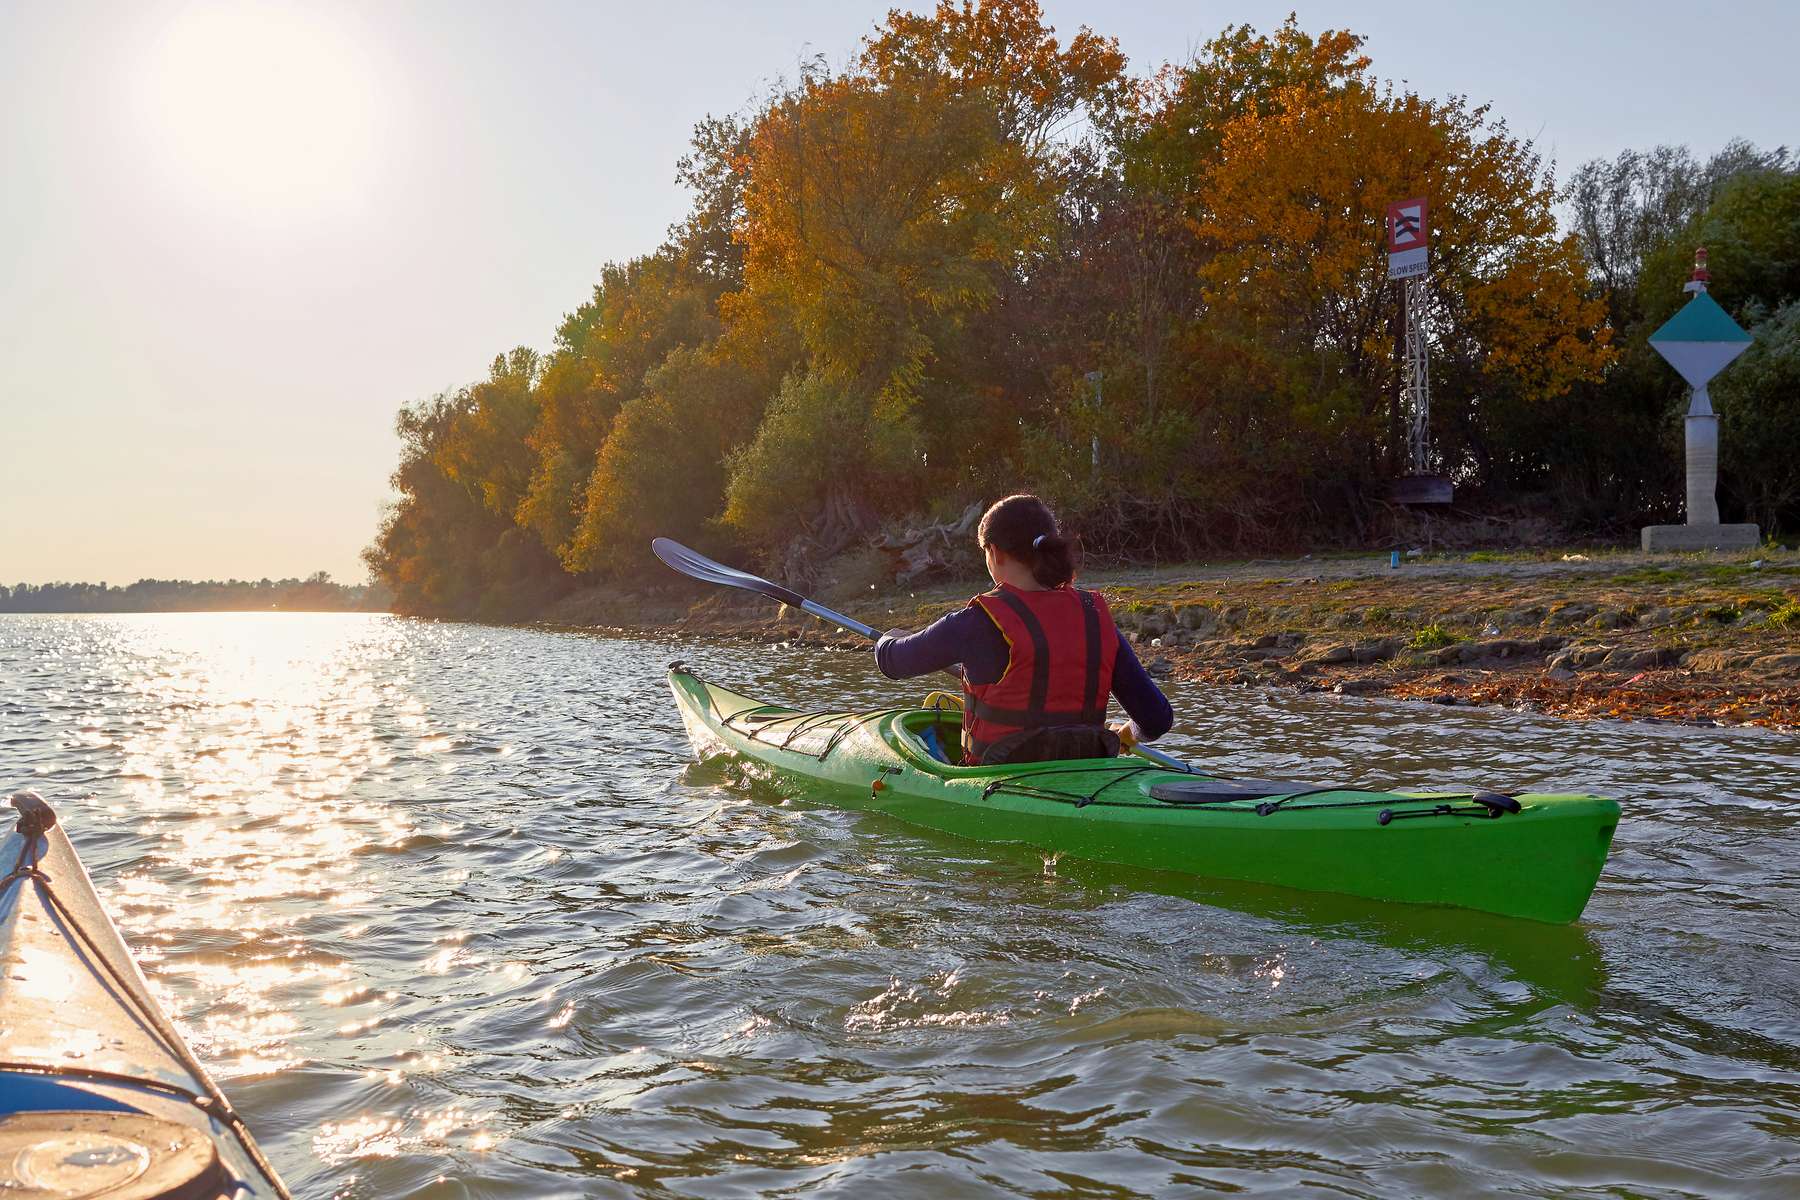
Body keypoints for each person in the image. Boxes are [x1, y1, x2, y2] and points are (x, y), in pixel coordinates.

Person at [876, 494, 1173, 765]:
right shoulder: (1094, 618)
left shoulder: (975, 622)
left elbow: (893, 662)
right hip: (1085, 772)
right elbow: (1156, 719)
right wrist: (1129, 733)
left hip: (999, 778)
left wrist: (890, 638)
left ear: (995, 552)